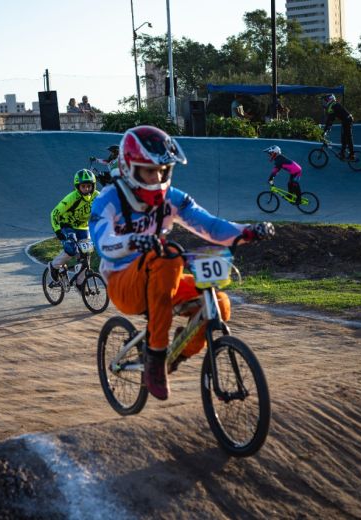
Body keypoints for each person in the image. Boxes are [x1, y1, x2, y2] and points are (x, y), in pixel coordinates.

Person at [89, 125, 274, 400]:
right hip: (124, 282)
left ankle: (173, 355)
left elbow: (211, 226)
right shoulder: (109, 200)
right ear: (130, 169)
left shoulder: (173, 199)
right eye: (149, 171)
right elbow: (103, 242)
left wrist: (247, 231)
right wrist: (132, 242)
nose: (158, 177)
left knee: (218, 305)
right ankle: (154, 358)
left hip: (161, 274)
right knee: (169, 257)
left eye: (163, 170)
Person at [48, 169, 100, 281]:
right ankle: (54, 266)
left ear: (93, 186)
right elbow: (54, 213)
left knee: (86, 255)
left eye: (89, 186)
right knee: (71, 248)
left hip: (83, 227)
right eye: (83, 186)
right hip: (67, 225)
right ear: (78, 187)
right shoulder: (72, 198)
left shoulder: (98, 196)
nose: (86, 189)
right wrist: (58, 231)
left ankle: (80, 283)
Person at [322, 94, 355, 161]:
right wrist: (328, 128)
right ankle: (342, 154)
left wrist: (325, 130)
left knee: (348, 137)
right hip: (346, 121)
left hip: (347, 121)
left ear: (330, 99)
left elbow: (330, 120)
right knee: (343, 138)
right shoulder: (334, 105)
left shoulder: (333, 105)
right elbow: (331, 119)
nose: (325, 102)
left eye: (326, 100)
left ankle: (352, 155)